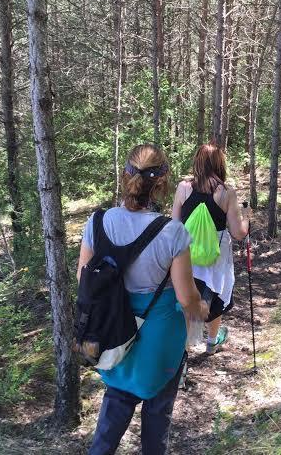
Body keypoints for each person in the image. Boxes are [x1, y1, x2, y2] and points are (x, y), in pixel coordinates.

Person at [77, 144, 208, 455]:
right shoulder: (172, 232)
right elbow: (186, 297)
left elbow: (84, 280)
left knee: (115, 402)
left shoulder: (97, 222)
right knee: (157, 415)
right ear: (162, 183)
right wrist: (203, 309)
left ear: (125, 176)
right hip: (159, 338)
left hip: (111, 332)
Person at [172, 142, 251, 355]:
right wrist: (248, 218)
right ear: (220, 164)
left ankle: (182, 356)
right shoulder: (226, 192)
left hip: (185, 254)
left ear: (197, 162)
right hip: (215, 255)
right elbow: (238, 232)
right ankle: (212, 341)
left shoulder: (183, 188)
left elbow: (174, 224)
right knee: (214, 294)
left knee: (186, 301)